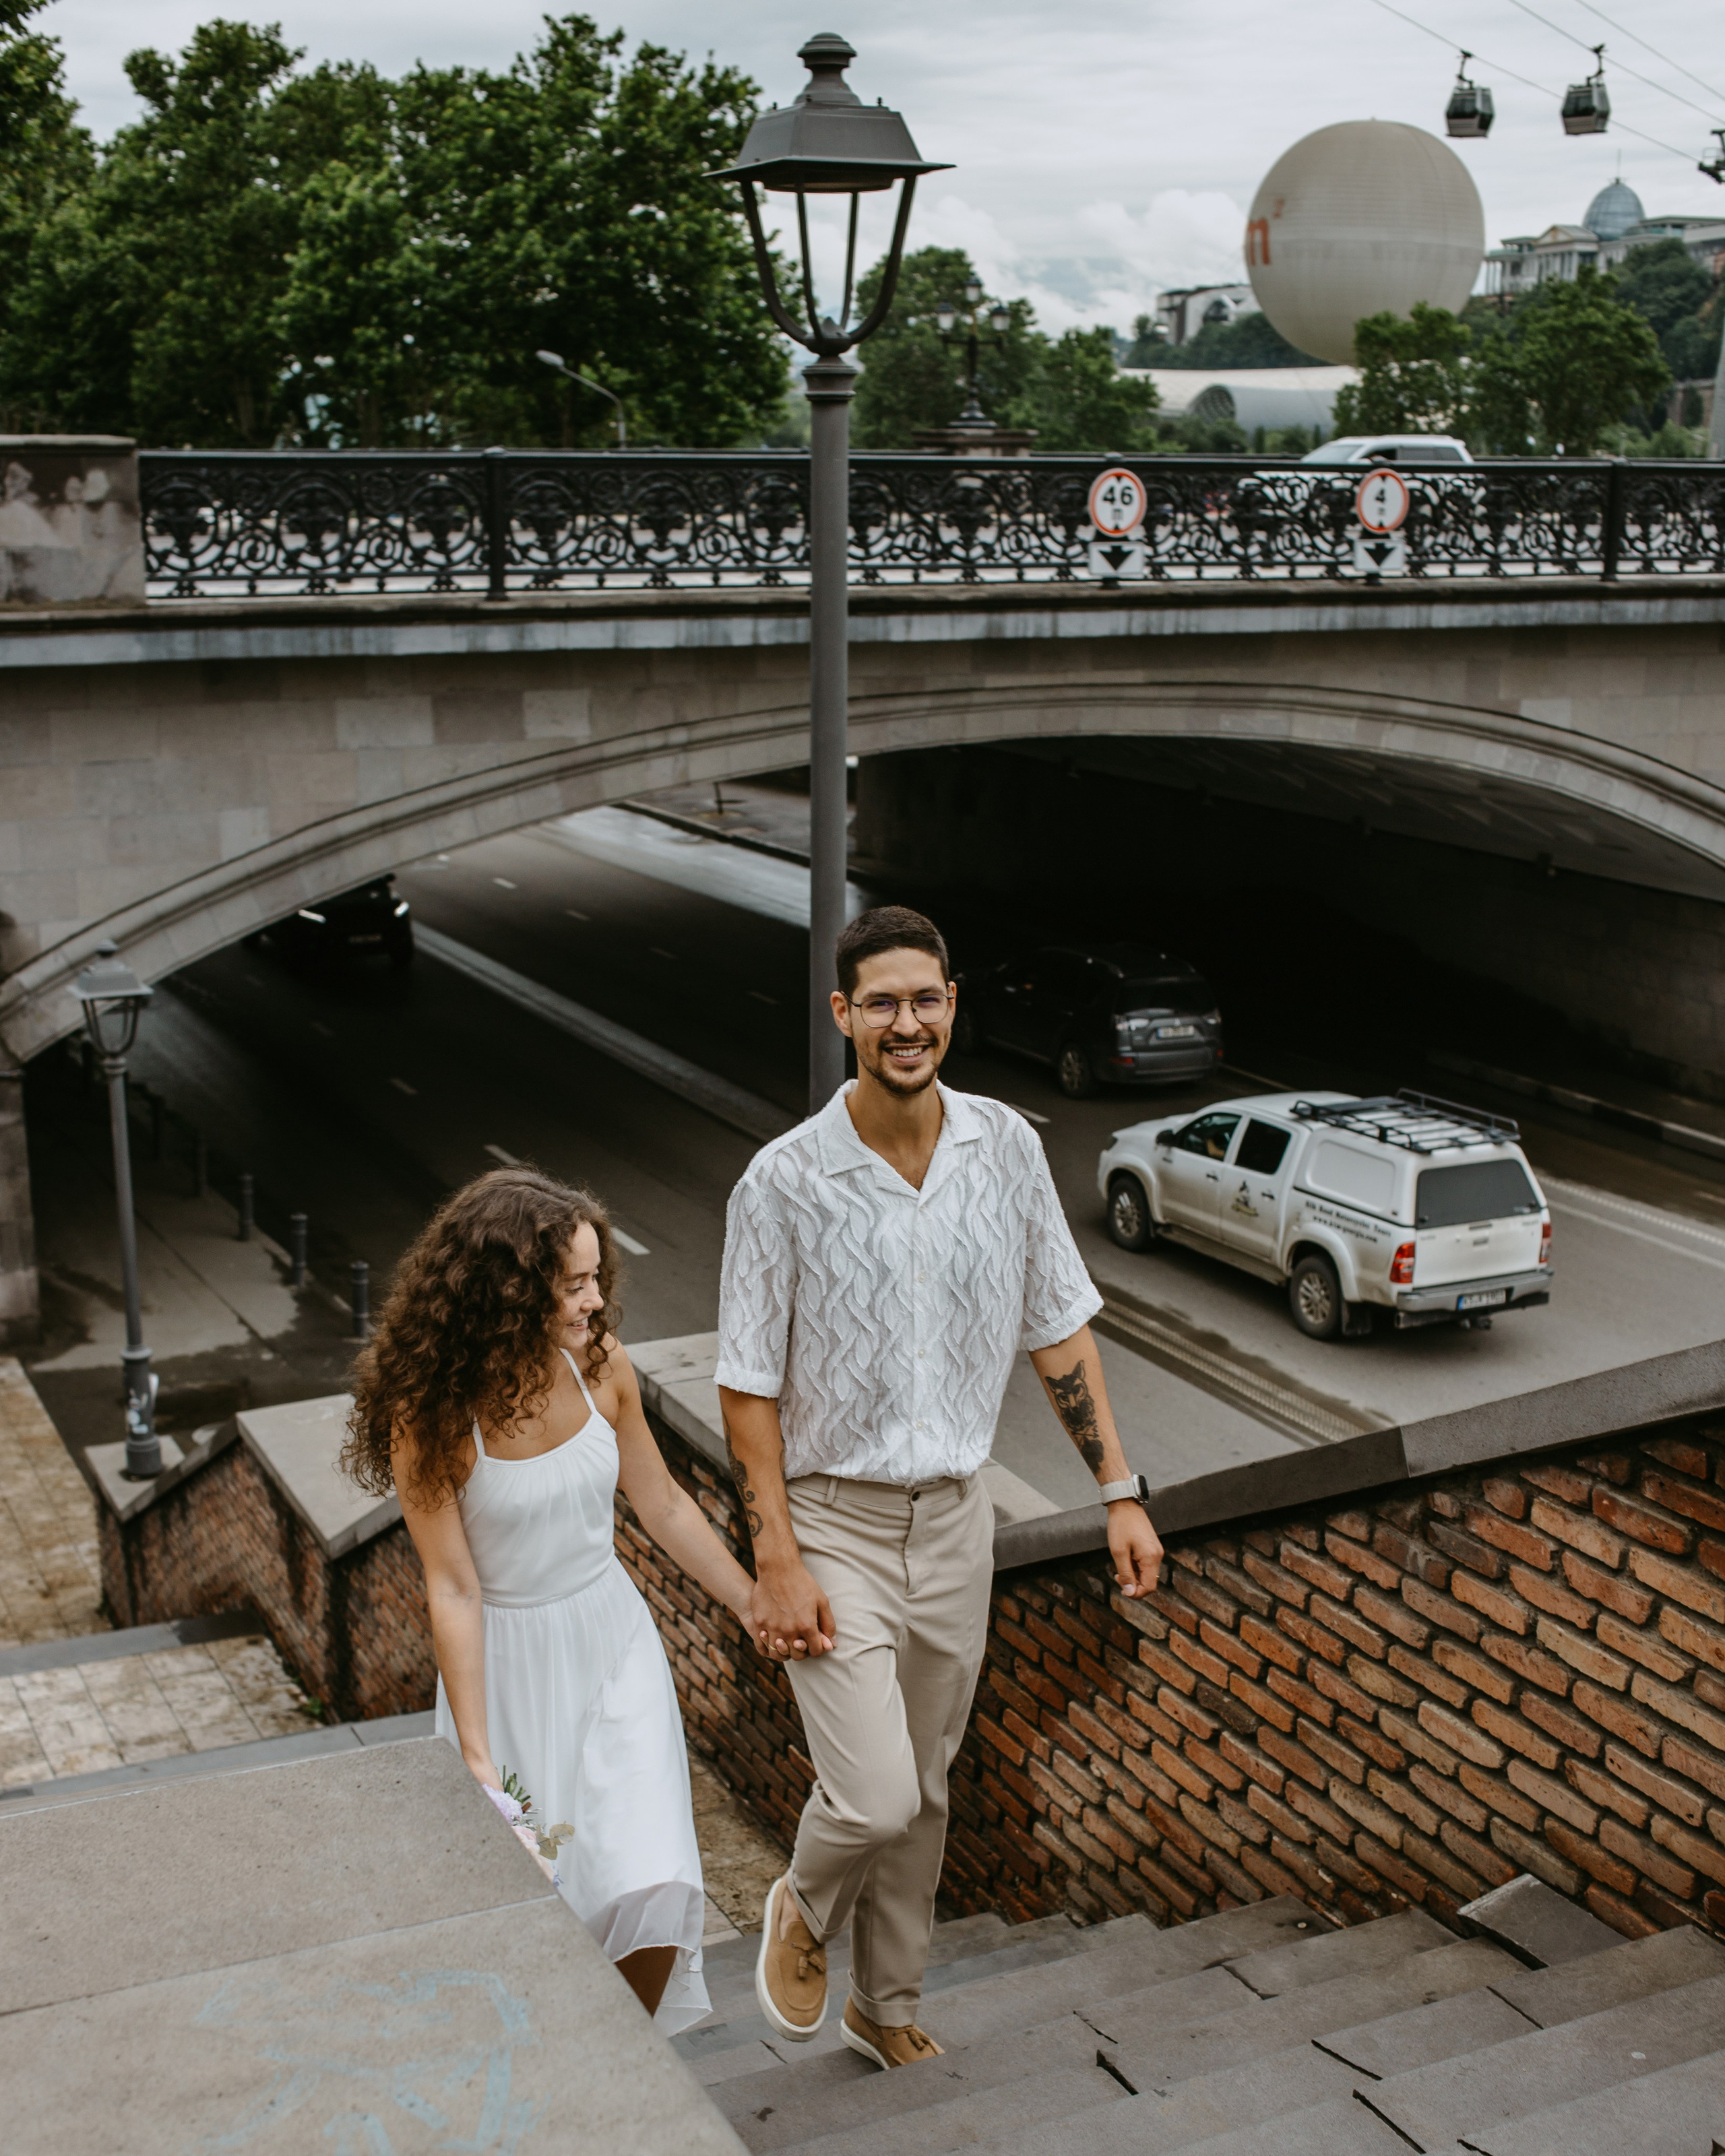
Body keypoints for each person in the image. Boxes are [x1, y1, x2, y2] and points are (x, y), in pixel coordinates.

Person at [717, 904, 1164, 2071]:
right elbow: (747, 1389)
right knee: (869, 1796)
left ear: (953, 1006)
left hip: (959, 1521)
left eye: (926, 999)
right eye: (882, 1003)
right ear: (844, 1015)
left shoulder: (1006, 1148)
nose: (906, 1023)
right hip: (834, 1521)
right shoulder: (783, 1182)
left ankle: (887, 2002)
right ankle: (806, 1903)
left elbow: (1057, 1330)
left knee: (923, 1788)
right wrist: (776, 1556)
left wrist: (1118, 1489)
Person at [344, 1167, 761, 2031]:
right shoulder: (431, 1414)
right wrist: (474, 1752)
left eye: (596, 1277)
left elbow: (663, 1503)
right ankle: (567, 2061)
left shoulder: (601, 1366)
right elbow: (453, 1584)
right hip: (507, 1673)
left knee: (652, 1874)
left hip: (613, 1645)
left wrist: (751, 1601)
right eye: (573, 1283)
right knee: (543, 1906)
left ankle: (627, 2049)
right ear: (508, 1290)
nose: (595, 1300)